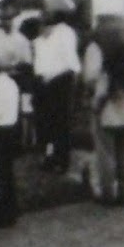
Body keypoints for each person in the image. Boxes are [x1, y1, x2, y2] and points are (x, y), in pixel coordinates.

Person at [82, 39, 124, 207]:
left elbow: (97, 84)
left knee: (105, 153)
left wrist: (95, 105)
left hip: (108, 113)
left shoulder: (102, 50)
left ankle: (107, 192)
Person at [30, 12, 80, 172]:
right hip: (43, 81)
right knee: (44, 122)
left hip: (61, 80)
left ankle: (62, 159)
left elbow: (70, 62)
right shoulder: (39, 40)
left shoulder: (65, 33)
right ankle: (49, 156)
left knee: (61, 121)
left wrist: (52, 77)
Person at [0, 63, 25, 226]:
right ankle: (10, 209)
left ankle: (1, 212)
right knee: (7, 171)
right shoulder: (11, 83)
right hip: (11, 128)